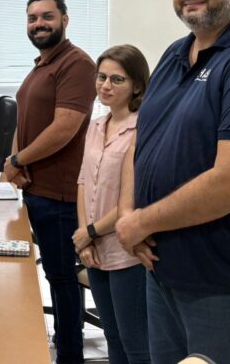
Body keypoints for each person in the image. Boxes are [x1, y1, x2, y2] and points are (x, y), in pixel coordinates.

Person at [115, 0, 230, 363]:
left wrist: (140, 222)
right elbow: (141, 141)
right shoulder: (176, 53)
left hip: (222, 280)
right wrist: (128, 216)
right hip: (161, 268)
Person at [3, 0, 96, 364]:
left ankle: (70, 355)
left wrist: (18, 160)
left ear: (65, 20)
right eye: (32, 18)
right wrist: (15, 161)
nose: (39, 24)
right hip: (34, 188)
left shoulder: (77, 64)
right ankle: (63, 340)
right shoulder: (41, 65)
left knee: (61, 278)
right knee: (54, 275)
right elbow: (23, 121)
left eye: (47, 16)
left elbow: (65, 128)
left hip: (59, 194)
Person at [73, 45, 150, 364]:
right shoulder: (95, 125)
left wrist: (91, 231)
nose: (105, 85)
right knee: (112, 336)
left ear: (137, 86)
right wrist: (84, 237)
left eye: (117, 79)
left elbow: (135, 197)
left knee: (136, 343)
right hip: (94, 247)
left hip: (125, 250)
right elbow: (82, 181)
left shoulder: (143, 128)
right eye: (101, 77)